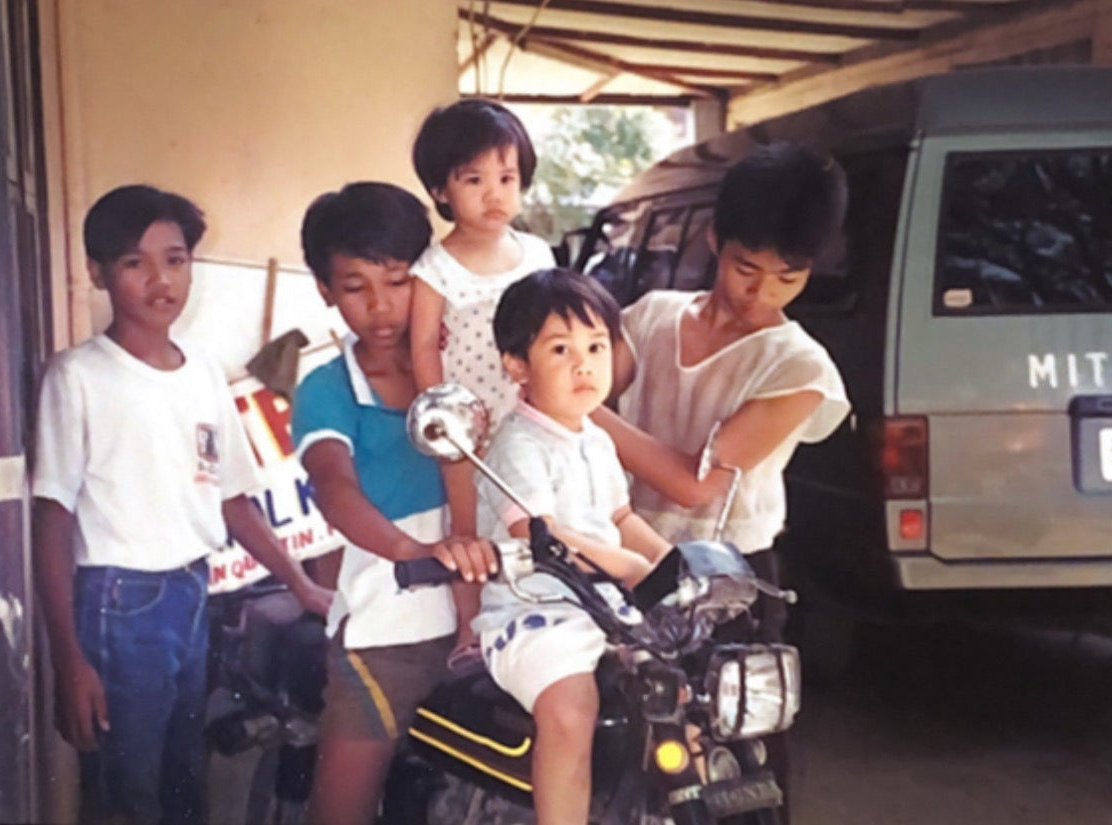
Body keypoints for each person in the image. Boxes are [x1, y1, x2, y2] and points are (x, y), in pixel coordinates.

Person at [31, 184, 332, 825]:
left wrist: (300, 584)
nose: (160, 279)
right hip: (117, 604)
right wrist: (68, 657)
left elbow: (231, 499)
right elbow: (51, 519)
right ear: (98, 273)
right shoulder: (77, 376)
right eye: (135, 262)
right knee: (126, 793)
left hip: (191, 597)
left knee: (182, 782)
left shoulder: (201, 369)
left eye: (175, 259)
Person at [592, 141, 853, 821]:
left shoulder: (799, 366)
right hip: (624, 561)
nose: (760, 293)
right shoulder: (648, 317)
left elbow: (696, 484)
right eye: (745, 267)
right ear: (714, 239)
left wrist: (584, 411)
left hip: (730, 581)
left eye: (788, 277)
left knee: (740, 772)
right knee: (628, 753)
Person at [291, 182, 498, 825]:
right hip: (383, 638)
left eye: (399, 281)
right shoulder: (327, 389)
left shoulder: (463, 367)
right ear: (326, 290)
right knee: (342, 812)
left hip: (484, 625)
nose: (380, 307)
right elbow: (336, 489)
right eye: (355, 287)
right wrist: (414, 551)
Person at [474, 267, 671, 825]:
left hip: (608, 609)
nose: (584, 363)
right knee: (571, 710)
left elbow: (621, 517)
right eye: (560, 349)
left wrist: (676, 567)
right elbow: (541, 535)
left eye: (595, 345)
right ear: (517, 365)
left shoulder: (597, 438)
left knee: (690, 694)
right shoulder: (519, 442)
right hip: (537, 613)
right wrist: (630, 567)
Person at [408, 99, 557, 667]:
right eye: (473, 180)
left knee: (532, 516)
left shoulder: (537, 255)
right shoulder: (435, 266)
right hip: (465, 428)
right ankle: (470, 632)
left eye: (506, 177)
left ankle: (533, 616)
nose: (494, 194)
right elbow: (423, 344)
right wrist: (445, 420)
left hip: (530, 417)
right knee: (467, 527)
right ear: (442, 191)